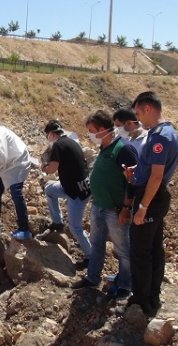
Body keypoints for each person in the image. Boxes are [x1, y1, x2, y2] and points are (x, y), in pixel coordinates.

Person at [71, 111, 137, 300]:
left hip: (115, 210)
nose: (90, 134)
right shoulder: (104, 148)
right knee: (97, 244)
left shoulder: (122, 149)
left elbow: (133, 181)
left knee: (122, 249)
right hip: (99, 206)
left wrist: (126, 207)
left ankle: (125, 285)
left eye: (91, 131)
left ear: (102, 129)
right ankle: (92, 278)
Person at [125, 91, 178, 316]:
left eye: (138, 113)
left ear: (148, 109)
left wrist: (142, 207)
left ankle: (141, 300)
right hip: (155, 194)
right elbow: (152, 168)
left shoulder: (160, 137)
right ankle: (152, 296)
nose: (138, 119)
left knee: (141, 251)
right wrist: (136, 172)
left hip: (151, 196)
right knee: (154, 248)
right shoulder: (167, 132)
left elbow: (157, 175)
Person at [40, 120, 92, 265]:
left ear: (51, 134)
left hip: (77, 192)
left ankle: (91, 257)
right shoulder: (71, 141)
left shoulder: (57, 145)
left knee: (75, 227)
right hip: (81, 186)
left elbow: (52, 169)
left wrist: (44, 167)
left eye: (47, 135)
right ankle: (57, 222)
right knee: (50, 190)